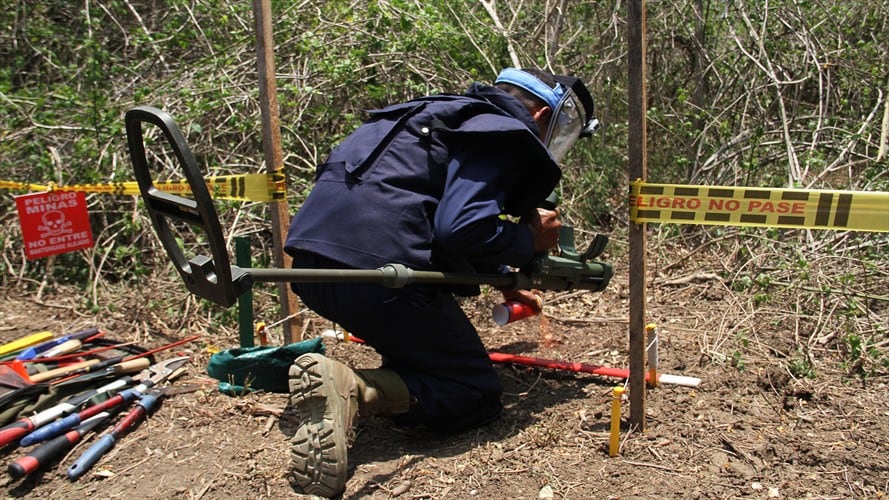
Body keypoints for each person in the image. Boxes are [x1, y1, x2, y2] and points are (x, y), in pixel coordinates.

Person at [283, 67, 598, 497]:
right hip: (379, 278)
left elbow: (412, 208)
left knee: (421, 355)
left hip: (310, 268)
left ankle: (386, 379)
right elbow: (460, 227)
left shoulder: (432, 113)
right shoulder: (503, 131)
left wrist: (503, 274)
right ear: (542, 116)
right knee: (474, 391)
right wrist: (527, 239)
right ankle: (355, 388)